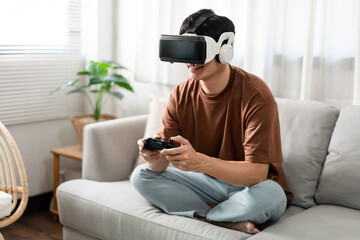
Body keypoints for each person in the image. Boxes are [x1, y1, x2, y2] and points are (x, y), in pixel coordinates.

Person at [130, 9, 293, 234]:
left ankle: (206, 214)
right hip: (204, 183)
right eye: (186, 51)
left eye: (198, 50)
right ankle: (218, 218)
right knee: (142, 175)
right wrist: (153, 156)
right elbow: (161, 166)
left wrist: (199, 162)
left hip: (249, 188)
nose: (190, 62)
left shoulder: (256, 95)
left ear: (226, 50)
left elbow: (256, 174)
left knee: (272, 196)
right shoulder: (180, 94)